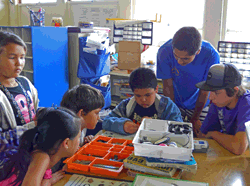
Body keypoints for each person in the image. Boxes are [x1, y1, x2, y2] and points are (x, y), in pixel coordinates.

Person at [157, 26, 220, 136]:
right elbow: (167, 86)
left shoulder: (211, 55)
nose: (179, 61)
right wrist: (173, 114)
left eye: (185, 58)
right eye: (176, 56)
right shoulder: (164, 51)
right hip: (174, 101)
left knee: (200, 134)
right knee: (171, 133)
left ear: (198, 51)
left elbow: (205, 90)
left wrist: (195, 118)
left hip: (199, 103)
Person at [0, 107, 81, 186]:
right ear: (66, 143)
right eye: (78, 138)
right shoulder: (42, 157)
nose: (79, 142)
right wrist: (47, 183)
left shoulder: (45, 156)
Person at [102, 67, 183, 135]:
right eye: (138, 95)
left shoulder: (167, 106)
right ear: (132, 92)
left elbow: (180, 129)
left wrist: (156, 125)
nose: (143, 100)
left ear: (156, 89)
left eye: (148, 95)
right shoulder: (126, 105)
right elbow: (105, 121)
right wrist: (122, 125)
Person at [0, 31, 39, 164]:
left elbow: (34, 110)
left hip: (32, 155)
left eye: (22, 57)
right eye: (12, 57)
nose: (19, 63)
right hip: (8, 166)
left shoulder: (25, 82)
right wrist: (31, 127)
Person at [195, 63, 250, 155]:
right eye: (210, 92)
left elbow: (239, 147)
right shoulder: (218, 102)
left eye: (216, 92)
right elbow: (203, 135)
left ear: (234, 91)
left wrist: (214, 134)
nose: (210, 98)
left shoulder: (247, 105)